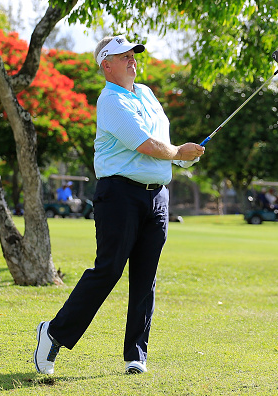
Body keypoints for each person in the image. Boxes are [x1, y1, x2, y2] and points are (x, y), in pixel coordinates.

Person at [33, 35, 205, 376]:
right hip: (120, 194)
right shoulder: (110, 100)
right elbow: (145, 144)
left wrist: (183, 159)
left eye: (134, 55)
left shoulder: (146, 94)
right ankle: (53, 333)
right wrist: (177, 153)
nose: (132, 61)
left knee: (146, 275)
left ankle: (136, 353)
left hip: (157, 195)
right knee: (109, 269)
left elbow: (162, 140)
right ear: (105, 65)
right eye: (123, 56)